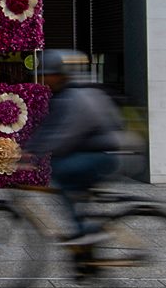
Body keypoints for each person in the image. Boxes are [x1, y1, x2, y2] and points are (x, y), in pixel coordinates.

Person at [24, 49, 124, 247]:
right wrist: (29, 149)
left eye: (48, 75)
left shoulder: (74, 97)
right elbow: (49, 128)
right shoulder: (62, 96)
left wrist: (35, 154)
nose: (44, 80)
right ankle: (83, 229)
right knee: (67, 175)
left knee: (62, 169)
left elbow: (64, 135)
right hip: (93, 152)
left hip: (103, 155)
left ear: (59, 75)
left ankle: (85, 230)